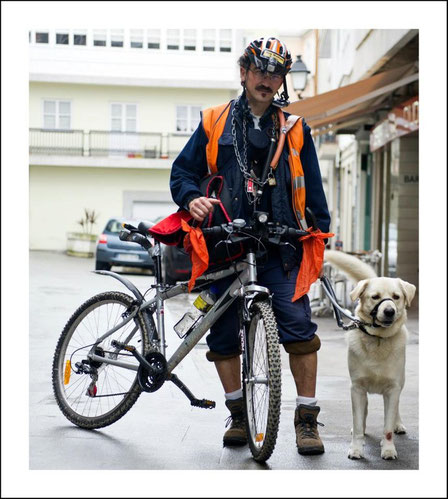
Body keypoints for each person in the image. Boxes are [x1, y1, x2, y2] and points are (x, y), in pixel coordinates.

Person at [170, 37, 331, 456]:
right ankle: (239, 414)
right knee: (221, 333)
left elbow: (313, 189)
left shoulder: (295, 129)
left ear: (282, 80)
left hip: (280, 244)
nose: (267, 79)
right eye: (260, 70)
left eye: (276, 73)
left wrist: (319, 235)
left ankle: (307, 421)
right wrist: (191, 198)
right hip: (223, 242)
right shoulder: (213, 121)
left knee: (298, 326)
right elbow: (182, 173)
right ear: (244, 72)